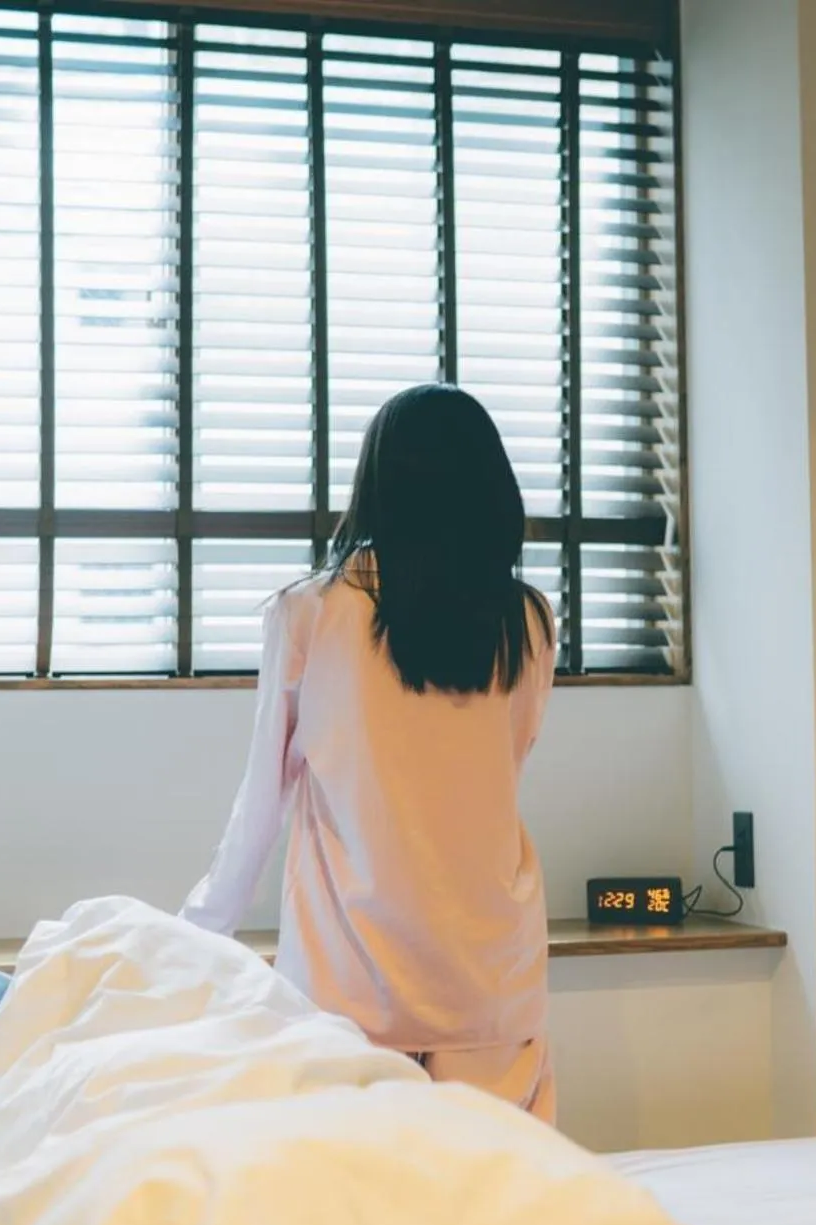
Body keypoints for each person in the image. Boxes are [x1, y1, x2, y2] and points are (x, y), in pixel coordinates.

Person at [181, 384, 558, 1121]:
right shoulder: (527, 620)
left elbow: (262, 803)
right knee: (498, 1213)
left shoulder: (312, 612)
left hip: (350, 982)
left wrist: (197, 931)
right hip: (490, 979)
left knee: (356, 1217)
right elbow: (502, 770)